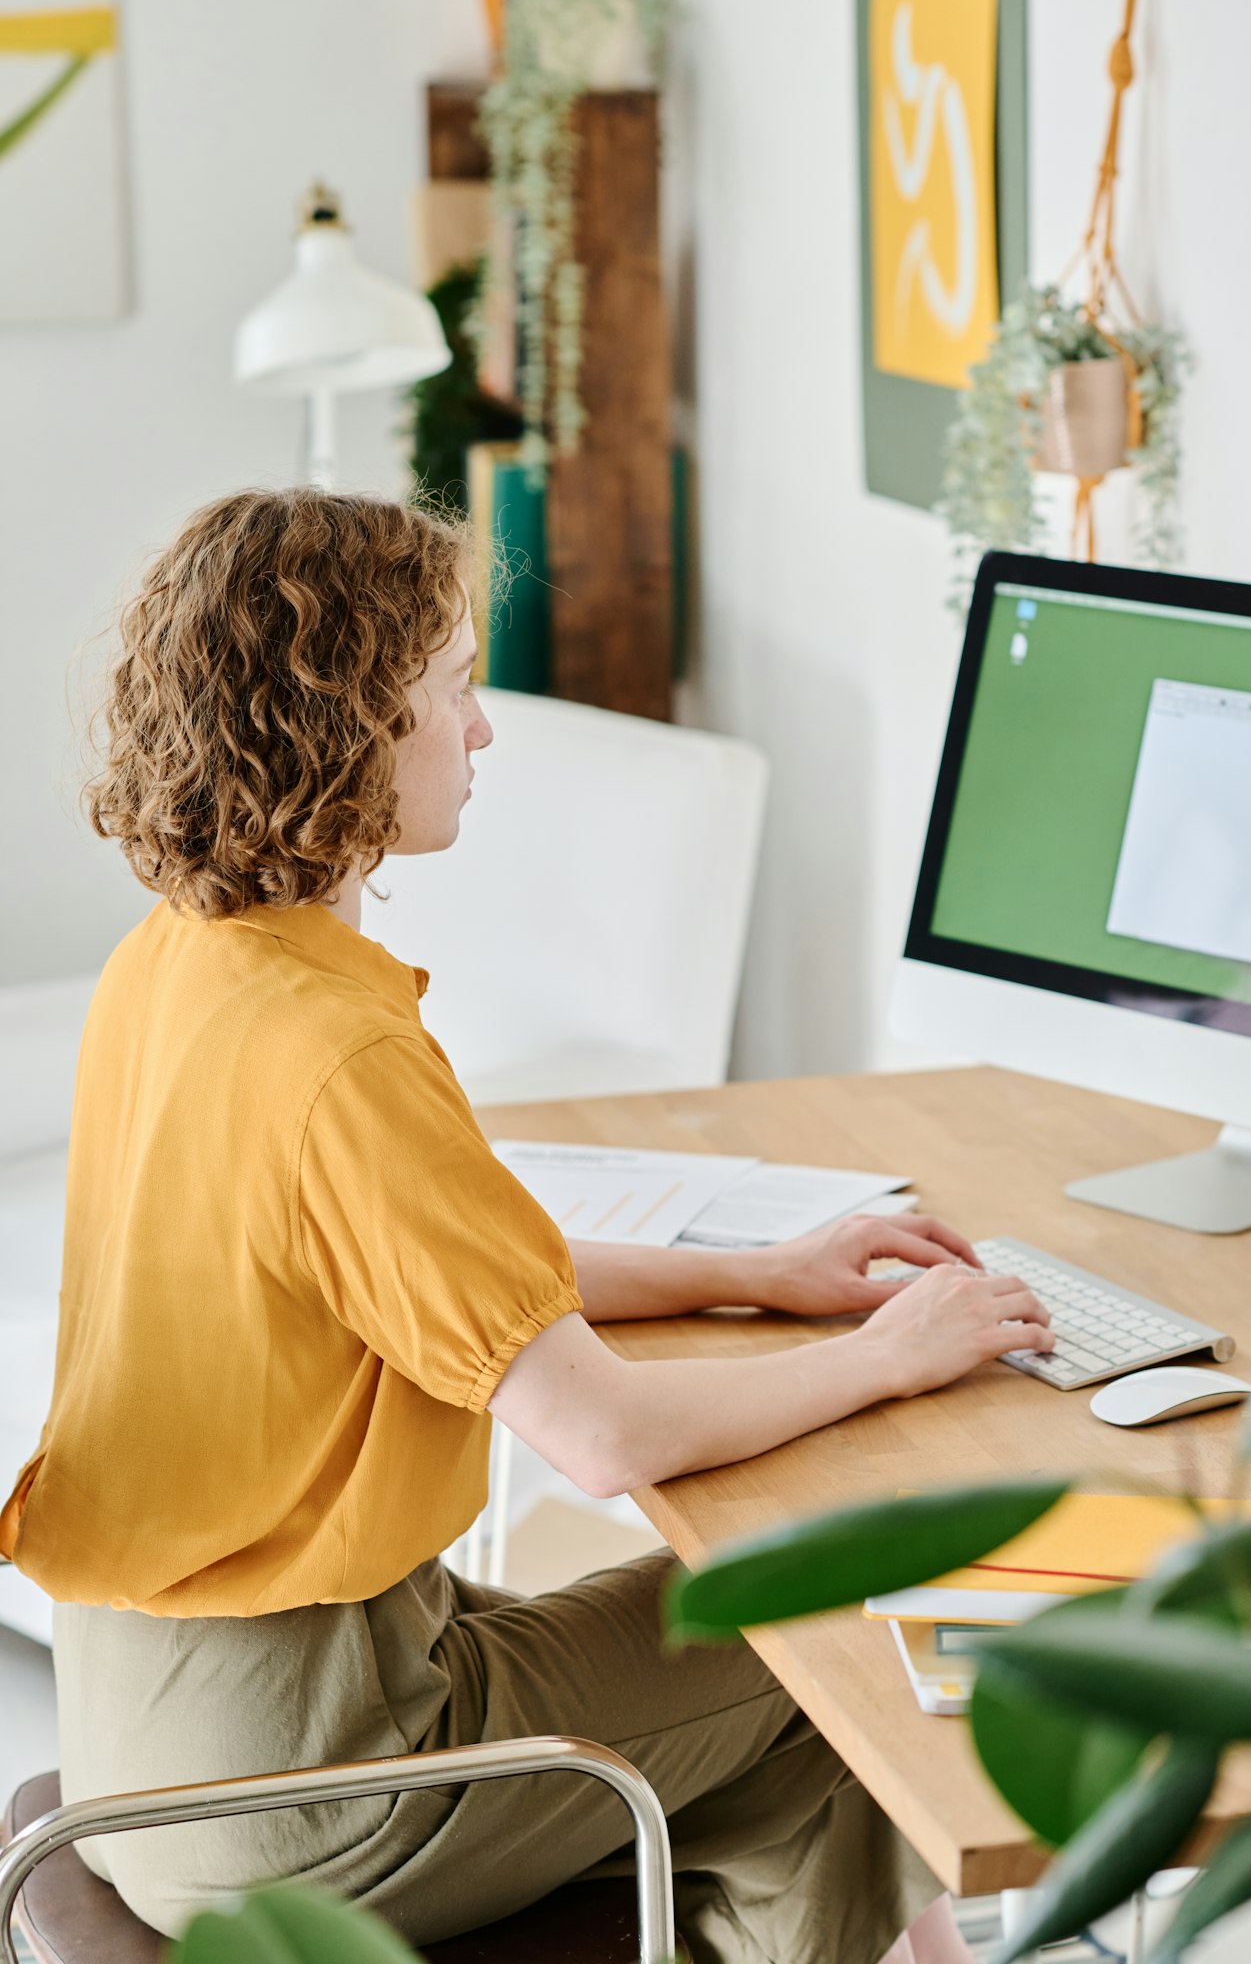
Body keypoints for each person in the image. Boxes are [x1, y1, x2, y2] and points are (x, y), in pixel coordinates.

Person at [0, 490, 1051, 1964]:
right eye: (452, 688)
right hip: (304, 1785)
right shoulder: (340, 1056)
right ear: (348, 722)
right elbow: (604, 1438)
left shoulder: (179, 967)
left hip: (152, 1735)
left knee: (767, 1734)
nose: (482, 732)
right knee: (842, 1627)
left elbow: (429, 1276)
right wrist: (898, 1352)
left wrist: (755, 1273)